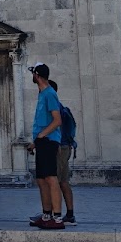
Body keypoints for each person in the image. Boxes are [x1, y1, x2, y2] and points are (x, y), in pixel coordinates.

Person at [27, 64, 65, 229]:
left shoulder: (50, 93)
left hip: (49, 141)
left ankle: (57, 218)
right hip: (42, 142)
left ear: (37, 75)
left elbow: (57, 120)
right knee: (41, 179)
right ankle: (46, 214)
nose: (32, 77)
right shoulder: (42, 94)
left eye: (33, 73)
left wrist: (42, 135)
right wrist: (36, 142)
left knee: (51, 178)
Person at [49, 79, 78, 224]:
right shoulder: (59, 107)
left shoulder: (56, 109)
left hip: (60, 148)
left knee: (58, 181)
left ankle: (57, 214)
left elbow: (55, 127)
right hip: (63, 147)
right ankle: (68, 213)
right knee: (62, 181)